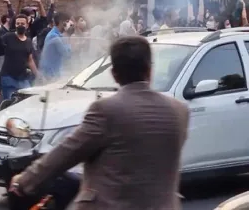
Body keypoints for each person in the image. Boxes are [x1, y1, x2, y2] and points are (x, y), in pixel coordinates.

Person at [10, 36, 189, 210]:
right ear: (149, 70)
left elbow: (64, 154)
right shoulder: (179, 111)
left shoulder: (106, 110)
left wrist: (24, 181)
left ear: (114, 74)